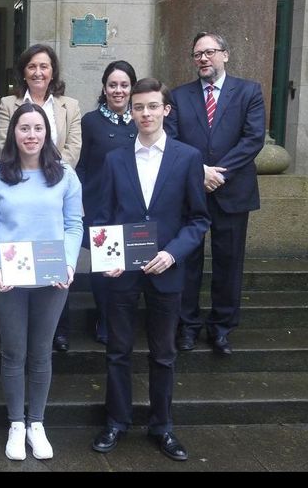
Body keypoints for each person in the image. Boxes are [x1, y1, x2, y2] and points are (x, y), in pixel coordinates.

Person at [89, 78, 210, 462]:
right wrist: (107, 259)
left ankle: (163, 426)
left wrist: (173, 254)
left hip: (166, 269)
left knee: (163, 353)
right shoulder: (115, 159)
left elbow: (198, 220)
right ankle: (116, 421)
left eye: (152, 107)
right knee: (118, 350)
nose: (145, 113)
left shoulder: (187, 157)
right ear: (131, 111)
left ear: (165, 110)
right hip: (121, 272)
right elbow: (103, 217)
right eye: (138, 107)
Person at [0, 102, 83, 461]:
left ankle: (36, 422)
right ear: (13, 133)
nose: (31, 135)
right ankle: (16, 423)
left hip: (53, 278)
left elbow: (73, 225)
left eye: (38, 128)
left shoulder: (65, 175)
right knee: (13, 353)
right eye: (24, 128)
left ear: (47, 133)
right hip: (9, 279)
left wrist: (69, 263)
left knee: (40, 353)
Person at [164, 32, 266, 356]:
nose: (203, 59)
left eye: (209, 52)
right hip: (190, 193)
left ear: (225, 54)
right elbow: (172, 140)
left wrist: (217, 173)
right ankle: (188, 326)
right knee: (188, 262)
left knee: (229, 263)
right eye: (197, 54)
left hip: (232, 191)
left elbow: (253, 140)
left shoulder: (249, 92)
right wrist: (199, 173)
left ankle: (221, 329)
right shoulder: (179, 97)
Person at [0, 43, 81, 353]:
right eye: (32, 66)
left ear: (53, 71)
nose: (38, 72)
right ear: (23, 71)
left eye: (44, 66)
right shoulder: (9, 103)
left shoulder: (69, 105)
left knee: (55, 273)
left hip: (55, 185)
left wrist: (49, 171)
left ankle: (55, 331)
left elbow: (73, 148)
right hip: (18, 185)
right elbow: (3, 145)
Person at [75, 60, 138, 347]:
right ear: (104, 87)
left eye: (124, 85)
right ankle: (102, 318)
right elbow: (82, 166)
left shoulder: (141, 120)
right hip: (100, 205)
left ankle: (123, 320)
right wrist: (81, 202)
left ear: (132, 88)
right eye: (112, 85)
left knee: (130, 266)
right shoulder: (89, 121)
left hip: (134, 206)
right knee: (103, 266)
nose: (118, 90)